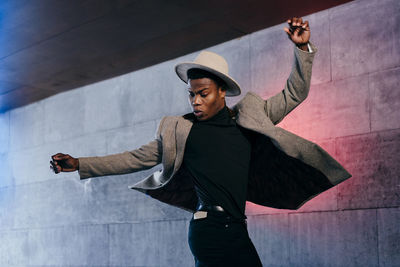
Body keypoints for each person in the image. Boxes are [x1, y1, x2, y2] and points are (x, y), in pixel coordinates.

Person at [50, 17, 351, 267]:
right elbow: (133, 158)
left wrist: (302, 49)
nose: (195, 100)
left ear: (222, 92)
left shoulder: (248, 118)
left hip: (234, 227)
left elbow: (293, 94)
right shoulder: (182, 130)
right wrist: (80, 163)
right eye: (191, 94)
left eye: (203, 93)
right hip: (210, 229)